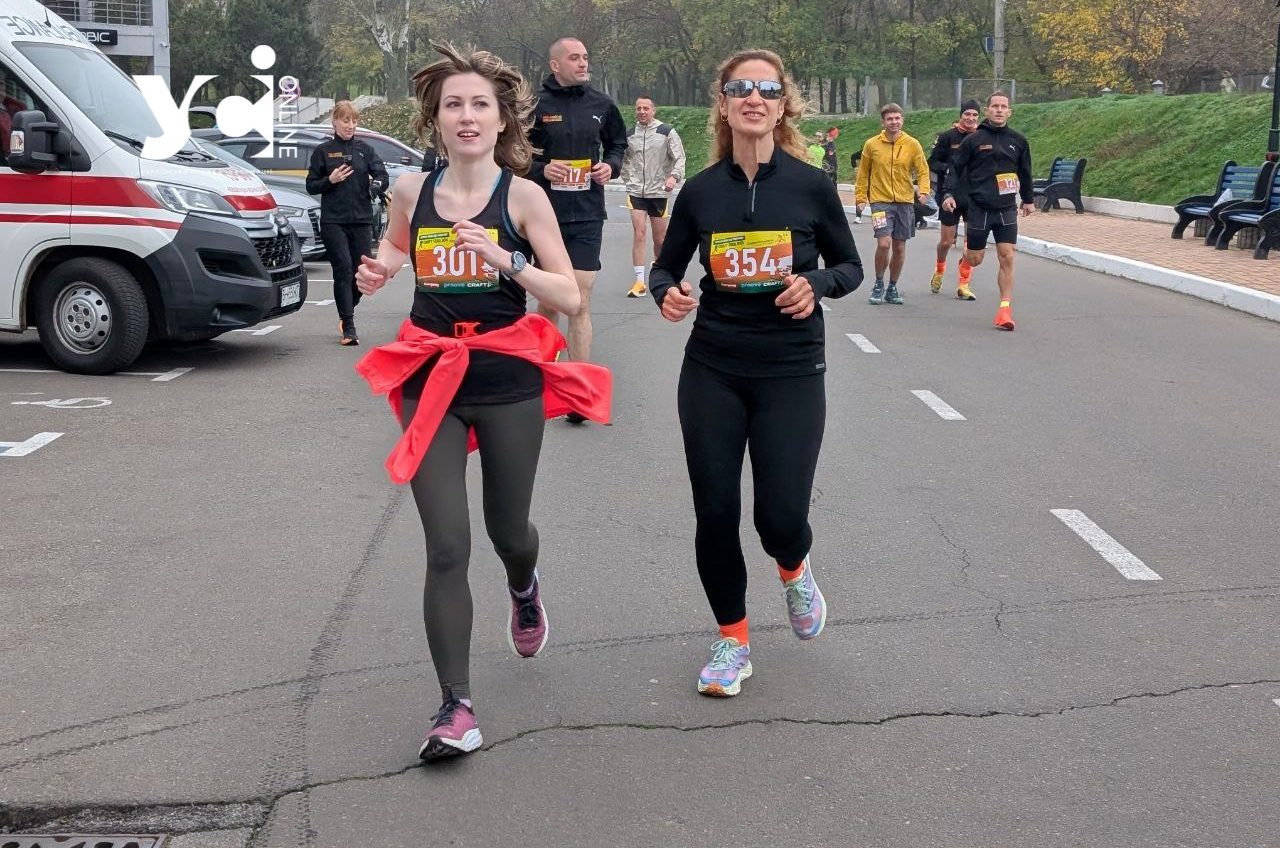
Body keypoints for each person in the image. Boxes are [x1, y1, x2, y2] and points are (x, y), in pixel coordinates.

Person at [351, 43, 611, 761]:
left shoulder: (522, 197)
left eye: (479, 105)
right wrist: (383, 268)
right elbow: (401, 248)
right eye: (453, 105)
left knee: (508, 531)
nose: (466, 116)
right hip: (430, 375)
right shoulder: (410, 189)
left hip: (504, 379)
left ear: (501, 123)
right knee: (446, 547)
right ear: (435, 119)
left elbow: (567, 293)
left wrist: (506, 260)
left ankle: (524, 585)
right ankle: (455, 707)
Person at [648, 49, 863, 698]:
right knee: (714, 511)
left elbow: (850, 267)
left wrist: (816, 282)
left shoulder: (810, 187)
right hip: (713, 366)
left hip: (791, 370)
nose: (754, 97)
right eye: (740, 87)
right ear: (723, 102)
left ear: (782, 105)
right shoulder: (702, 192)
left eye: (767, 89)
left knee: (779, 515)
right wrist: (668, 292)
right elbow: (666, 267)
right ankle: (733, 642)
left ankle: (794, 568)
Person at [528, 36, 628, 411]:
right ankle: (542, 379)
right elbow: (514, 154)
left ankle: (578, 392)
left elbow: (617, 144)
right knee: (551, 300)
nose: (583, 63)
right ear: (556, 65)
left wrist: (610, 166)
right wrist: (542, 169)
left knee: (580, 301)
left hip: (587, 212)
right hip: (545, 215)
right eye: (574, 58)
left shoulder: (602, 104)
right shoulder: (536, 106)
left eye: (586, 56)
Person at [941, 90, 1034, 331]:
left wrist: (1028, 199)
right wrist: (948, 194)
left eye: (1004, 106)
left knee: (1007, 255)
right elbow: (955, 168)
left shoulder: (1019, 140)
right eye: (995, 106)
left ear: (1009, 111)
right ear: (988, 110)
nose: (1000, 110)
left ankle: (1004, 310)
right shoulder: (973, 140)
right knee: (976, 258)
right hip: (979, 207)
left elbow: (1025, 172)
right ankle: (965, 263)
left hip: (1005, 208)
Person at [306, 100, 389, 346]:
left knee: (361, 273)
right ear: (334, 121)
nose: (350, 125)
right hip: (334, 221)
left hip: (361, 219)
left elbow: (382, 176)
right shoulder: (323, 151)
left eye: (353, 120)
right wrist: (329, 180)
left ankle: (347, 307)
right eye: (345, 120)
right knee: (342, 270)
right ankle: (348, 326)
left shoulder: (365, 149)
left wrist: (376, 185)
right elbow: (311, 185)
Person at [854, 103, 930, 306]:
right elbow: (863, 173)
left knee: (899, 247)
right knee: (884, 243)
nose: (894, 122)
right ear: (883, 122)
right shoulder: (872, 144)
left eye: (897, 118)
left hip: (905, 202)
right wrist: (861, 198)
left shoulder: (912, 144)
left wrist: (923, 191)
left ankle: (892, 286)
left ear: (902, 120)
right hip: (880, 202)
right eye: (890, 119)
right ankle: (879, 283)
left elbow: (923, 170)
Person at [620, 94, 686, 298]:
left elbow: (679, 157)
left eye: (645, 108)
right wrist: (628, 179)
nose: (641, 112)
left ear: (653, 110)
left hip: (658, 191)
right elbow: (623, 160)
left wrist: (673, 177)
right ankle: (639, 282)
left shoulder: (666, 132)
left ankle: (663, 277)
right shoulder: (630, 134)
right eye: (638, 108)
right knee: (639, 233)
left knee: (660, 239)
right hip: (636, 191)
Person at [927, 99, 981, 300]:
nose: (971, 118)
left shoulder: (981, 138)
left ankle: (964, 284)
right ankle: (939, 270)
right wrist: (948, 168)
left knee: (971, 243)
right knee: (947, 241)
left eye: (975, 115)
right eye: (967, 114)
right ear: (961, 116)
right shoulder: (948, 137)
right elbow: (932, 162)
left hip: (974, 196)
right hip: (950, 195)